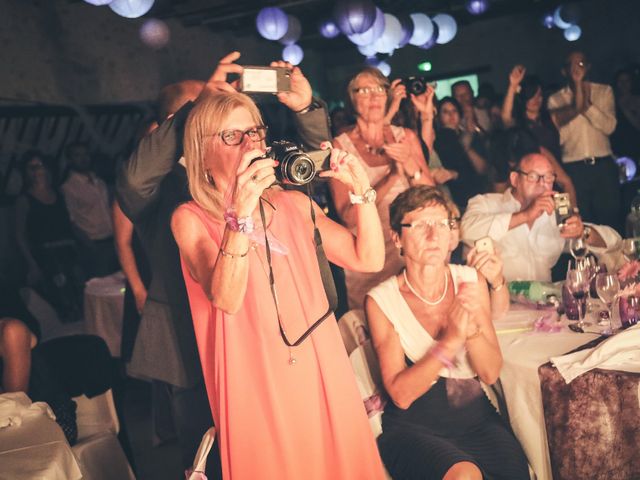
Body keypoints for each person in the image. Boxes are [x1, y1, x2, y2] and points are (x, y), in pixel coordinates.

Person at [116, 52, 334, 477]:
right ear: (165, 127)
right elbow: (132, 182)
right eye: (201, 111)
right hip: (192, 344)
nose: (215, 116)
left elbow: (307, 169)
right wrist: (195, 112)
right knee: (209, 455)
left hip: (270, 335)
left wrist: (305, 109)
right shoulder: (157, 188)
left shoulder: (247, 164)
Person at [171, 88, 386, 479]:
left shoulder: (295, 204)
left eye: (255, 131)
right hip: (255, 377)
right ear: (201, 152)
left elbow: (368, 259)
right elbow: (227, 298)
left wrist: (362, 192)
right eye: (233, 135)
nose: (250, 143)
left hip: (321, 365)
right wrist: (240, 214)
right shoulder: (190, 218)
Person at [366, 186, 528, 480]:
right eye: (420, 225)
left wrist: (472, 330)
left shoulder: (470, 281)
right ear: (397, 237)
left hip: (476, 419)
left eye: (442, 224)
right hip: (413, 427)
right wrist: (451, 340)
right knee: (464, 476)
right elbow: (401, 396)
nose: (433, 235)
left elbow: (490, 374)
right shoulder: (382, 300)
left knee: (516, 473)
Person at [332, 67, 435, 308]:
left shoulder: (406, 136)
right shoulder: (340, 146)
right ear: (351, 99)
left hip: (410, 251)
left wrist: (409, 163)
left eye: (380, 89)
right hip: (369, 257)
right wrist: (392, 176)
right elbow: (348, 217)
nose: (374, 96)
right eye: (364, 90)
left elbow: (432, 197)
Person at [461, 152, 621, 282]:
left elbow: (613, 241)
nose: (542, 183)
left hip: (543, 309)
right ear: (515, 179)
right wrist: (525, 215)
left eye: (549, 177)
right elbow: (466, 232)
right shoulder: (487, 203)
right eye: (533, 176)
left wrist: (582, 232)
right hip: (499, 306)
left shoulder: (555, 215)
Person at [547, 51, 620, 231]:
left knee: (611, 220)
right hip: (573, 169)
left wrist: (586, 104)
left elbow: (609, 127)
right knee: (581, 221)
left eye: (580, 64)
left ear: (588, 67)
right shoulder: (555, 99)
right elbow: (559, 137)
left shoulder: (604, 91)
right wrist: (576, 103)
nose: (576, 69)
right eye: (571, 65)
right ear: (564, 71)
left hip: (603, 165)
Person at [15, 150, 83, 322]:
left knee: (80, 294)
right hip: (47, 256)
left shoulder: (58, 194)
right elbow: (19, 235)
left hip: (69, 252)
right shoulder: (24, 199)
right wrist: (31, 264)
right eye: (32, 167)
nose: (38, 170)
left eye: (40, 165)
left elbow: (68, 223)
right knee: (61, 299)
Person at [501, 66, 577, 206]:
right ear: (524, 97)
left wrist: (577, 81)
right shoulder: (517, 123)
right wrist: (513, 85)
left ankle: (569, 220)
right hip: (531, 177)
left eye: (540, 95)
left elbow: (577, 108)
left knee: (561, 201)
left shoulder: (550, 118)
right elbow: (505, 117)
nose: (537, 99)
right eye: (532, 95)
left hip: (554, 171)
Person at [61, 141, 119, 278]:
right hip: (94, 243)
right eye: (77, 155)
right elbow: (71, 220)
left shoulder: (99, 181)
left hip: (113, 239)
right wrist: (88, 244)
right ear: (70, 159)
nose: (83, 158)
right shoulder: (68, 187)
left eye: (85, 154)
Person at [434, 96, 489, 209]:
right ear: (439, 116)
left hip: (476, 192)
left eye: (454, 111)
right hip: (461, 196)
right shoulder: (442, 138)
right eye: (445, 112)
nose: (451, 115)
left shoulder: (465, 134)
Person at [611, 67, 640, 164]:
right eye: (621, 81)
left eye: (627, 81)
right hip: (618, 150)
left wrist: (625, 108)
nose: (624, 85)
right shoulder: (611, 102)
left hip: (636, 147)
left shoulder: (637, 101)